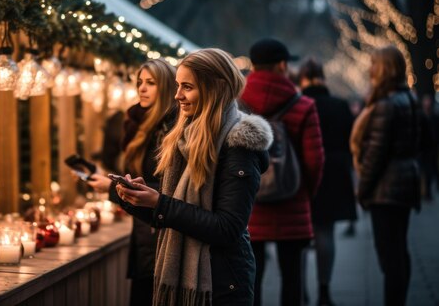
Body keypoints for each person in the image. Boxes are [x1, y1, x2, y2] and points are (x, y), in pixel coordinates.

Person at [114, 48, 272, 305]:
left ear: (215, 88)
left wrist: (159, 203)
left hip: (220, 284)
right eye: (177, 86)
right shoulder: (185, 137)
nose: (177, 96)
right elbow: (174, 216)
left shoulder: (239, 144)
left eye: (187, 87)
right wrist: (134, 199)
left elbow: (227, 228)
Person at [85, 59, 177, 306]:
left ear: (168, 87)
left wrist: (112, 189)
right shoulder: (141, 124)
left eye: (150, 83)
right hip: (144, 230)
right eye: (139, 83)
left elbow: (171, 191)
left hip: (162, 232)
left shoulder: (171, 130)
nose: (142, 89)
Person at [240, 38, 324, 306]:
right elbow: (315, 160)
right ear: (282, 65)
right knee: (293, 278)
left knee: (250, 277)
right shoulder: (303, 105)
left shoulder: (238, 106)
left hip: (249, 205)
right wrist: (304, 193)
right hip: (292, 202)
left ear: (252, 66)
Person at [350, 45, 421, 306]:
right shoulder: (408, 99)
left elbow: (375, 155)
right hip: (404, 182)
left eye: (373, 63)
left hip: (387, 188)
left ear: (385, 68)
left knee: (389, 256)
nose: (370, 68)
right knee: (399, 252)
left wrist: (362, 190)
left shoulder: (386, 105)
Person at [299, 58, 357, 306]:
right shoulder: (340, 105)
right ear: (322, 76)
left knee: (299, 236)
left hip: (303, 173)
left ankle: (300, 290)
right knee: (326, 232)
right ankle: (324, 290)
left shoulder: (299, 105)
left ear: (302, 79)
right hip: (335, 173)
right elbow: (352, 140)